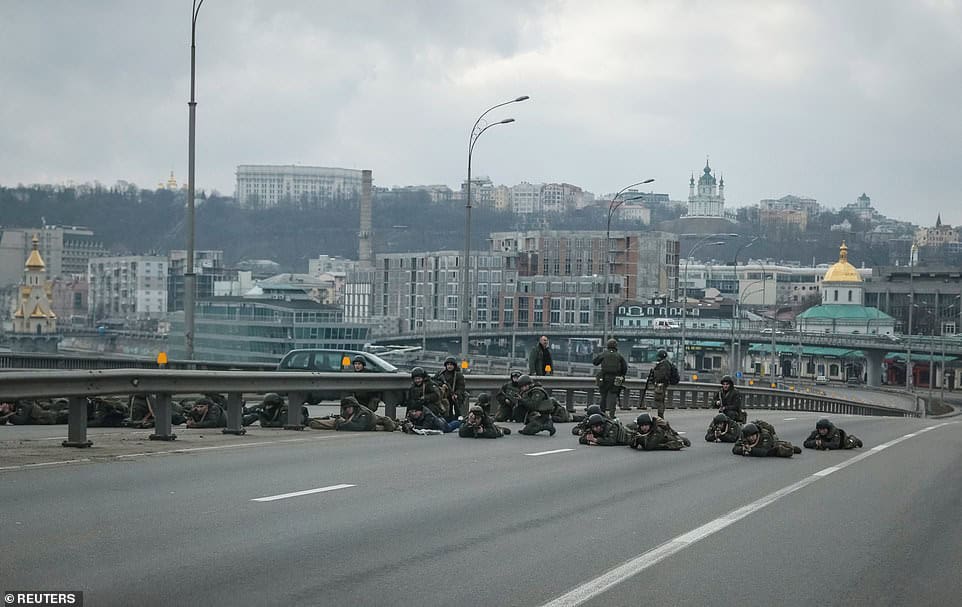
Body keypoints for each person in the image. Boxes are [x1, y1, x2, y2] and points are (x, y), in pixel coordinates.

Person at [593, 338, 629, 415]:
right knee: (613, 396)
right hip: (615, 378)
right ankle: (612, 414)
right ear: (616, 346)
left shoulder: (604, 354)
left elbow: (595, 362)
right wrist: (622, 376)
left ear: (608, 345)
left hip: (604, 378)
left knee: (603, 396)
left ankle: (602, 413)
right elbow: (624, 368)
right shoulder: (619, 356)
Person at [732, 421, 802, 457]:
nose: (751, 438)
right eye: (749, 437)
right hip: (756, 447)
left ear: (757, 434)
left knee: (779, 449)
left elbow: (764, 451)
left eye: (752, 436)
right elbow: (735, 448)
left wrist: (751, 450)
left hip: (771, 442)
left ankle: (793, 447)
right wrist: (742, 449)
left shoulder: (765, 436)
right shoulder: (744, 436)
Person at [309, 396, 377, 431]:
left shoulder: (364, 413)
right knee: (314, 422)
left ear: (354, 406)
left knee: (314, 424)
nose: (348, 409)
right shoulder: (352, 412)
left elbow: (359, 427)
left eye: (349, 407)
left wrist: (342, 422)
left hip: (342, 424)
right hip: (342, 423)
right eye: (346, 408)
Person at [646, 349, 679, 418]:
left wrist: (655, 378)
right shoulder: (664, 364)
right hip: (662, 384)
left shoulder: (664, 365)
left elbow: (661, 375)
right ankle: (660, 415)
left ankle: (660, 416)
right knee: (660, 400)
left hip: (661, 385)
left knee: (659, 400)